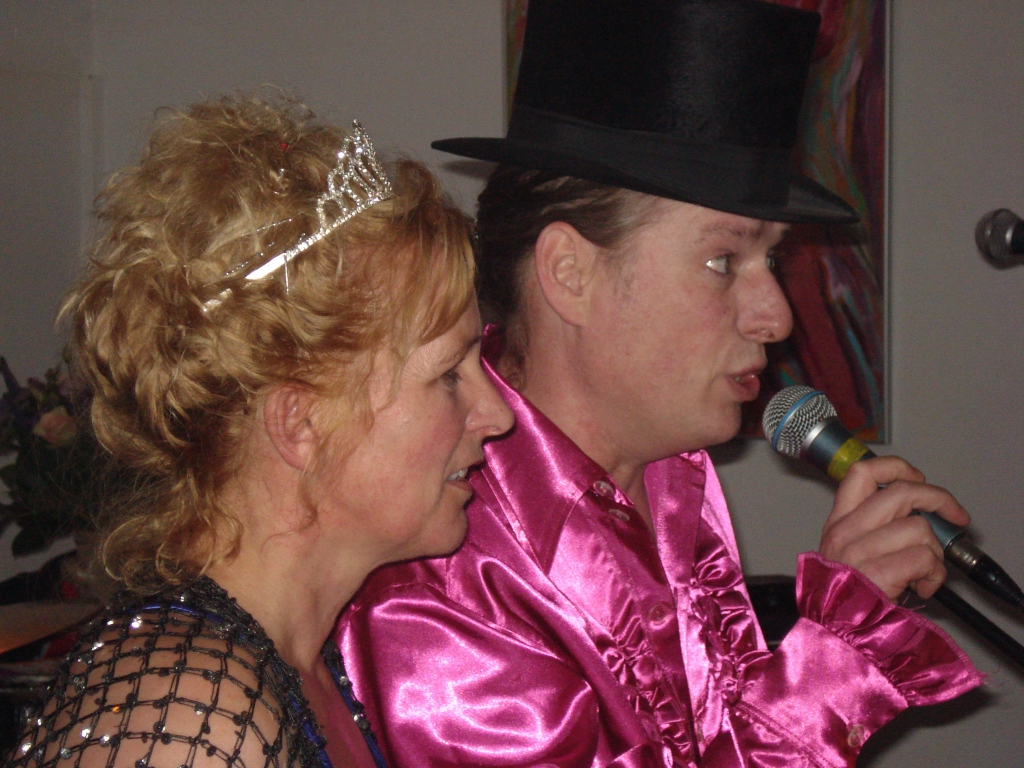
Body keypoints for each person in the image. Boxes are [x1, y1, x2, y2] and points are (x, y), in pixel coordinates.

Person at [338, 2, 983, 766]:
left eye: (771, 260)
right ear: (569, 274)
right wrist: (837, 654)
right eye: (723, 261)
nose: (776, 315)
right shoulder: (439, 574)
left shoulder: (672, 474)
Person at [6, 94, 512, 768]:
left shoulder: (290, 666)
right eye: (449, 373)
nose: (497, 414)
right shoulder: (191, 719)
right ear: (301, 423)